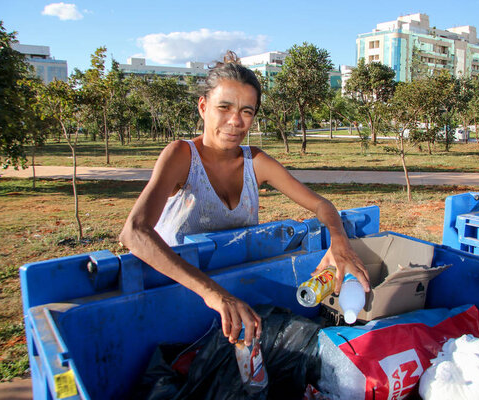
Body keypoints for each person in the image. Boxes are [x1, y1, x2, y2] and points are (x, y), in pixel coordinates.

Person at [119, 51, 370, 348]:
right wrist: (214, 294)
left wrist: (339, 241)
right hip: (178, 290)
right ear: (203, 106)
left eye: (247, 111)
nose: (235, 121)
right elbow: (133, 232)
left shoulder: (256, 162)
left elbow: (320, 205)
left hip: (237, 292)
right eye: (224, 107)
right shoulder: (181, 156)